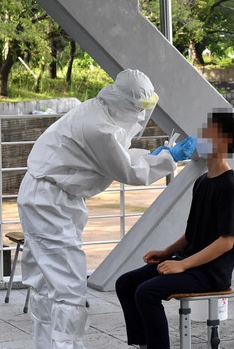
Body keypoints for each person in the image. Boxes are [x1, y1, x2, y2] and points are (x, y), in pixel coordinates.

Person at [17, 68, 195, 349]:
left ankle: (47, 344)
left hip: (49, 196)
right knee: (68, 287)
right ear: (127, 104)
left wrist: (157, 155)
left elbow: (117, 155)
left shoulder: (99, 111)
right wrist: (168, 158)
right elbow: (127, 169)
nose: (141, 116)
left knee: (46, 282)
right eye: (140, 108)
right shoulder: (100, 129)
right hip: (50, 202)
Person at [115, 110, 234, 349]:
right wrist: (166, 252)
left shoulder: (230, 185)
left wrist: (182, 264)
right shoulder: (202, 181)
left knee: (146, 293)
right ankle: (144, 344)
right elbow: (191, 234)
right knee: (126, 283)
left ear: (225, 140)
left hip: (209, 274)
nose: (202, 134)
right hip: (189, 263)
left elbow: (226, 242)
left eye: (210, 131)